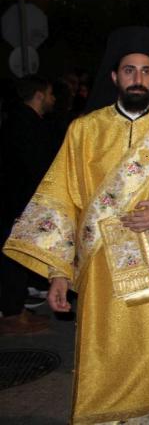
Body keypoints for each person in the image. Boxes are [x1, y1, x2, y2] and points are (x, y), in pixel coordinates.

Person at [2, 26, 149, 423]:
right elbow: (61, 200)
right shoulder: (84, 130)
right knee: (101, 353)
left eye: (146, 71)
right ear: (115, 76)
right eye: (129, 70)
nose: (138, 78)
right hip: (99, 270)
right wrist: (58, 273)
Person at [0, 76, 58, 334]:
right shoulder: (24, 124)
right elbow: (33, 166)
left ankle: (16, 308)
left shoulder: (22, 121)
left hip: (19, 201)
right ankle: (12, 314)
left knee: (18, 257)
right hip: (18, 203)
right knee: (13, 258)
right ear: (39, 95)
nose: (53, 99)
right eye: (50, 94)